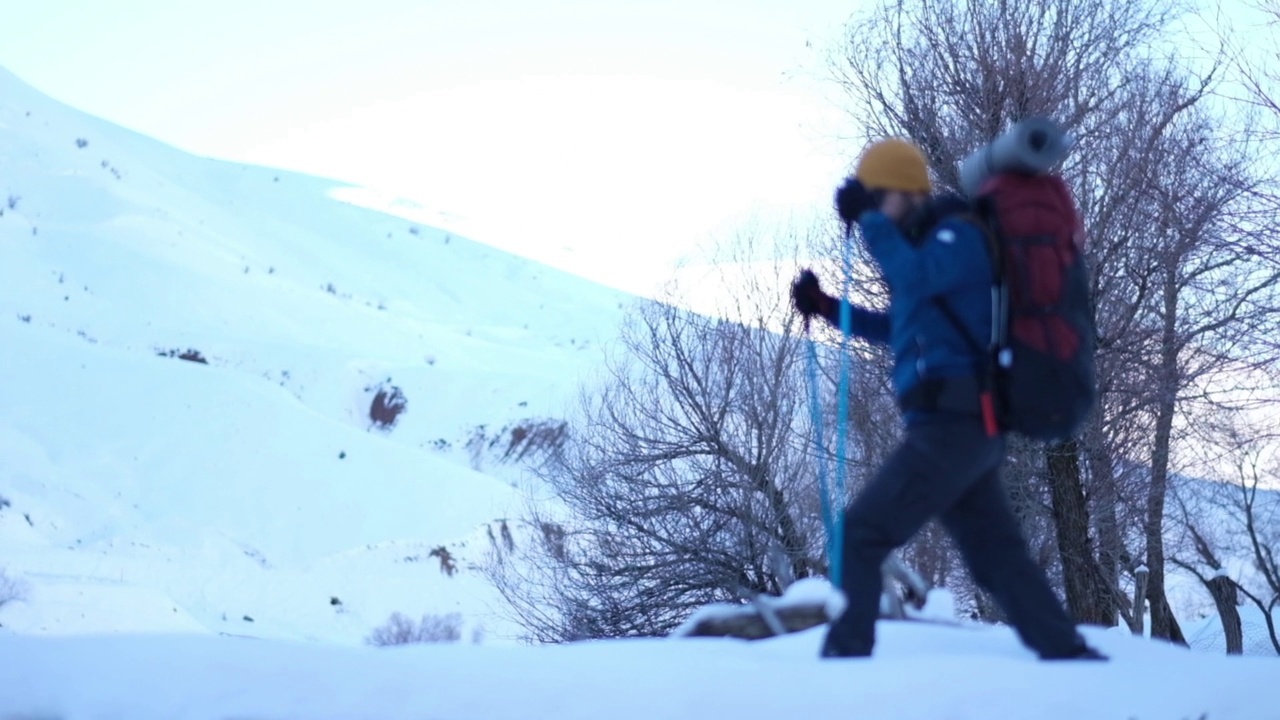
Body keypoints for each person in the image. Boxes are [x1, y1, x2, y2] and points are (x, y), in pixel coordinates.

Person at [791, 138, 1105, 661]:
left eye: (878, 198)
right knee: (996, 555)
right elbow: (899, 326)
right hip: (958, 429)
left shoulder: (958, 236)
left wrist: (869, 220)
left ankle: (844, 666)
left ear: (905, 193)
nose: (875, 212)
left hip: (955, 423)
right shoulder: (932, 250)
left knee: (861, 536)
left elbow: (911, 278)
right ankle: (1066, 652)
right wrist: (826, 307)